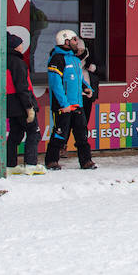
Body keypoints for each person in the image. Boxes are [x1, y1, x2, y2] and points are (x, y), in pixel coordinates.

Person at [45, 29, 96, 170]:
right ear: (65, 41)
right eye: (74, 39)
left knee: (82, 135)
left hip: (77, 103)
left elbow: (78, 78)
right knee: (60, 134)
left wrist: (87, 88)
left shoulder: (74, 59)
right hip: (63, 106)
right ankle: (51, 161)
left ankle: (86, 161)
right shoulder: (56, 59)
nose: (76, 42)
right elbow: (56, 84)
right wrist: (64, 104)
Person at [4, 33, 44, 174]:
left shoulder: (3, 61)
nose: (22, 46)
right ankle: (31, 164)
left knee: (15, 134)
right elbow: (22, 87)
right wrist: (29, 107)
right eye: (20, 43)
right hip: (21, 104)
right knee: (34, 132)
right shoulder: (18, 63)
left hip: (10, 104)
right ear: (15, 46)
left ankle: (10, 165)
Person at [75, 36, 101, 132]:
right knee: (77, 121)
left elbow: (102, 71)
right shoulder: (71, 61)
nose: (79, 53)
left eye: (82, 50)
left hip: (88, 94)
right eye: (78, 50)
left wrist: (94, 68)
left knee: (85, 120)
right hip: (76, 94)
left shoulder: (90, 59)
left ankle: (84, 137)